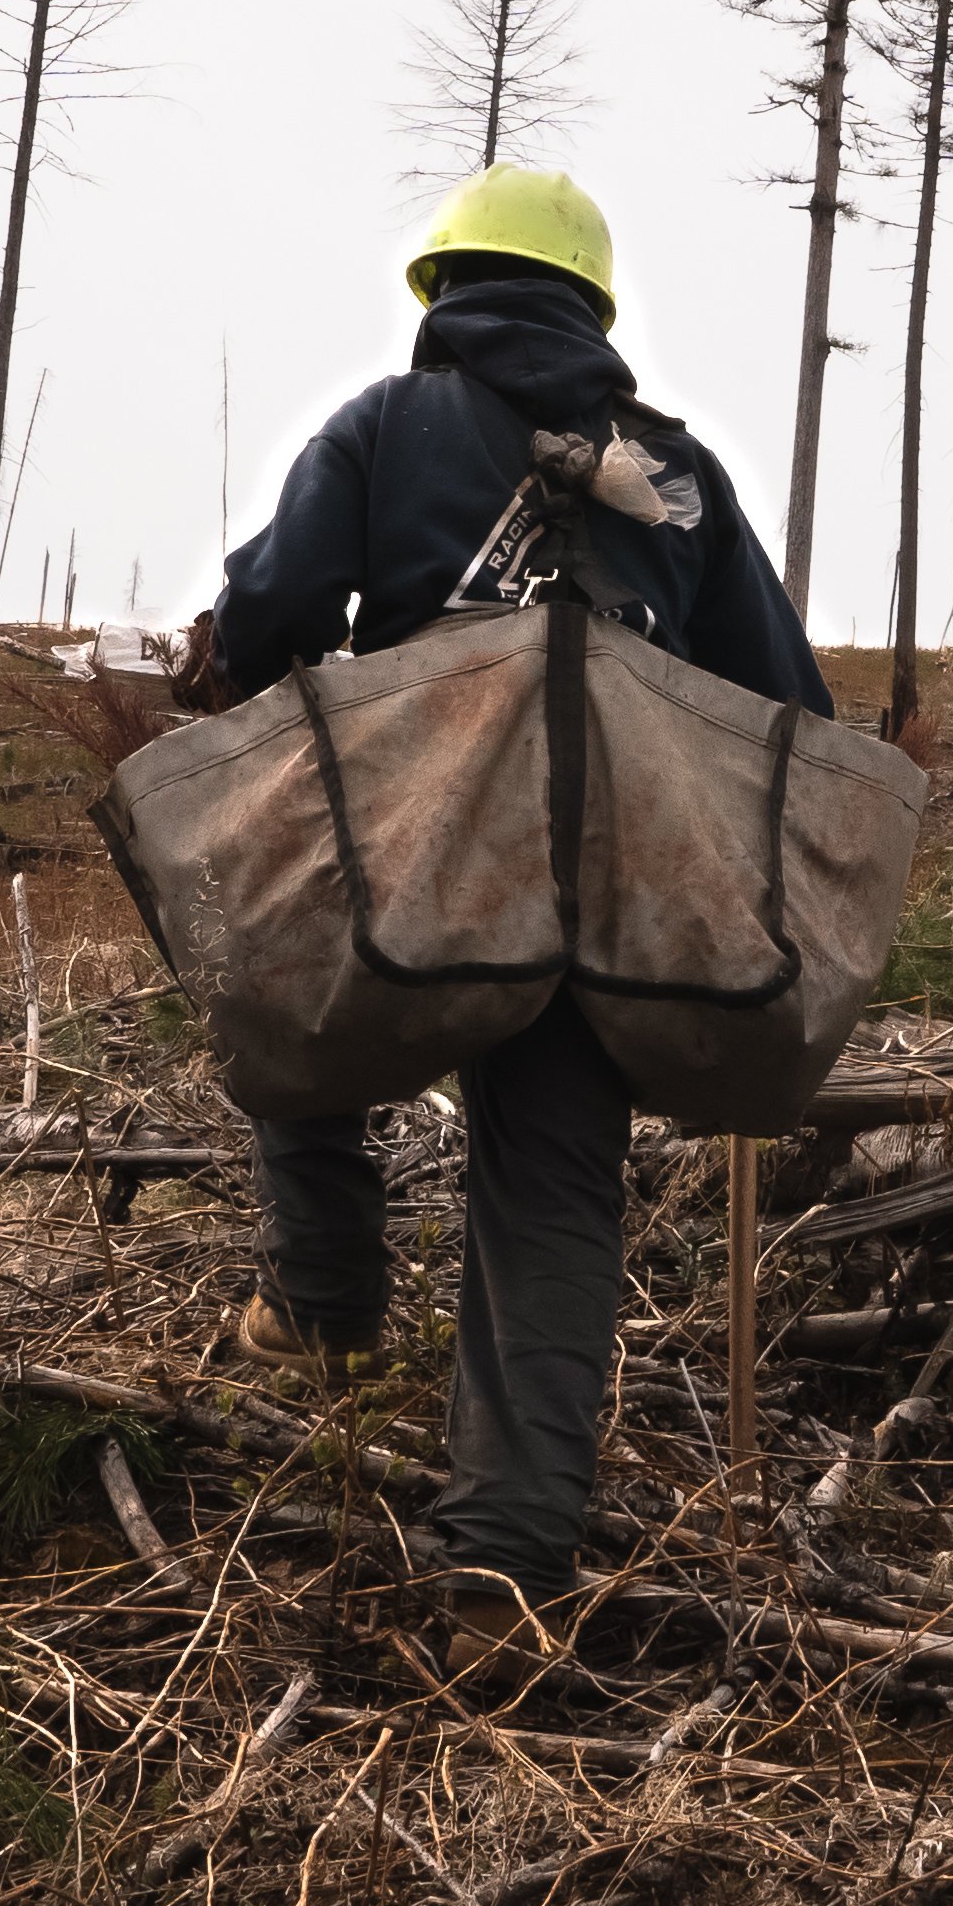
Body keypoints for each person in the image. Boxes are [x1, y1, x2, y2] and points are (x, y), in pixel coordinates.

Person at [181, 167, 830, 1643]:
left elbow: (273, 618)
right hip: (609, 896)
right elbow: (784, 707)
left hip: (417, 857)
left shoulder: (386, 428)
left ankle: (330, 1303)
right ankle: (505, 1574)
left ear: (443, 295)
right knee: (549, 1198)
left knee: (286, 990)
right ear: (592, 305)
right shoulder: (677, 472)